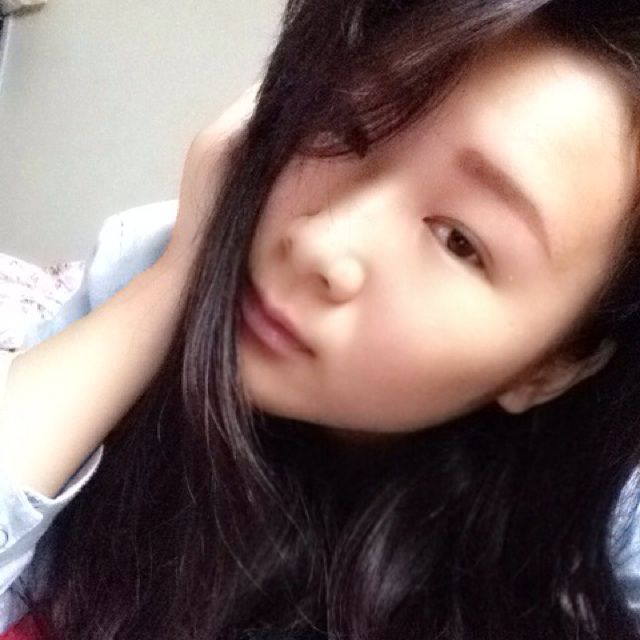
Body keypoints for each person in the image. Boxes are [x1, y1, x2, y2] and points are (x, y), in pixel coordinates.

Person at [3, 0, 640, 638]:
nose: (319, 245)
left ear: (558, 365)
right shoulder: (166, 257)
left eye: (458, 241)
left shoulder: (610, 516)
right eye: (347, 126)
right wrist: (177, 276)